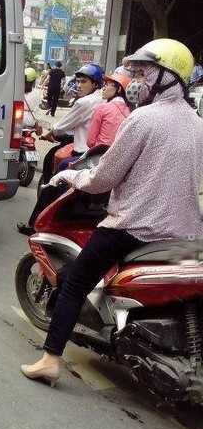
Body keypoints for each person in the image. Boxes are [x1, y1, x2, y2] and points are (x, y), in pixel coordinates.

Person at [20, 39, 203, 387]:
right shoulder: (198, 124)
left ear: (167, 76)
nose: (137, 81)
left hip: (133, 228)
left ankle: (50, 360)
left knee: (73, 284)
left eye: (144, 73)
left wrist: (70, 176)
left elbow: (103, 178)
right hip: (184, 235)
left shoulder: (143, 119)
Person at [17, 63, 105, 236]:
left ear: (96, 84)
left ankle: (34, 224)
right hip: (98, 153)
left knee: (54, 181)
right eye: (78, 81)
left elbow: (61, 126)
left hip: (85, 154)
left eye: (84, 82)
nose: (78, 85)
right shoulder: (107, 101)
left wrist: (50, 133)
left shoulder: (85, 102)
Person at [85, 72, 130, 150]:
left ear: (119, 89)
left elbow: (90, 141)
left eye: (107, 85)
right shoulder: (129, 112)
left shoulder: (102, 108)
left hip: (100, 152)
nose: (103, 88)